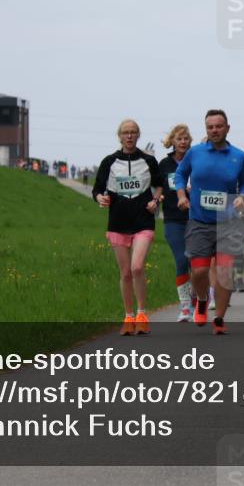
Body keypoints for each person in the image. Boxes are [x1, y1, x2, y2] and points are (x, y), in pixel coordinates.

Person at [174, 110, 244, 335]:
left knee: (225, 273)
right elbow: (180, 175)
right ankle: (201, 299)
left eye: (219, 126)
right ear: (206, 129)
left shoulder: (238, 156)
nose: (215, 130)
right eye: (210, 127)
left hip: (228, 223)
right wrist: (181, 195)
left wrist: (242, 197)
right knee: (199, 272)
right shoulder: (195, 152)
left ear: (227, 128)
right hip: (199, 222)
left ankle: (219, 318)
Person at [91, 119, 164, 335]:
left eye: (133, 132)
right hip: (118, 222)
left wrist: (155, 200)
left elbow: (160, 185)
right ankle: (128, 316)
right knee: (125, 273)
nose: (129, 136)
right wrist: (100, 198)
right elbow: (97, 189)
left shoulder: (148, 160)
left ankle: (142, 314)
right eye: (125, 132)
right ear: (120, 136)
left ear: (138, 135)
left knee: (137, 267)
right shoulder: (109, 162)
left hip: (143, 221)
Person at [158, 124, 194, 322]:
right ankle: (185, 306)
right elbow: (157, 186)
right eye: (179, 139)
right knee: (181, 260)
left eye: (186, 138)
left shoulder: (196, 159)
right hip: (173, 219)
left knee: (196, 263)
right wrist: (158, 197)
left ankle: (198, 298)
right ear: (172, 141)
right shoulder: (164, 164)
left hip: (195, 218)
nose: (182, 142)